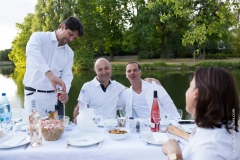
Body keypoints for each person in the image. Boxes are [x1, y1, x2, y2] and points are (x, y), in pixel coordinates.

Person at [162, 67, 240, 160]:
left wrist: (174, 154)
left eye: (190, 86)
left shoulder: (208, 147)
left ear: (196, 94)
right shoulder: (228, 129)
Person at [23, 16, 84, 117]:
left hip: (54, 98)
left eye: (74, 38)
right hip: (34, 96)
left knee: (57, 131)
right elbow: (31, 51)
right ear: (63, 26)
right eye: (71, 34)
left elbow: (67, 76)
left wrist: (65, 91)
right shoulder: (39, 37)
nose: (71, 39)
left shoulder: (69, 53)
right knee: (35, 130)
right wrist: (49, 74)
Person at [73, 58, 160, 123]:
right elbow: (79, 108)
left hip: (112, 128)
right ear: (95, 71)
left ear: (111, 68)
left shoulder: (116, 85)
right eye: (100, 69)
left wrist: (147, 80)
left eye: (106, 68)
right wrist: (76, 121)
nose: (104, 72)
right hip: (94, 127)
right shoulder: (87, 87)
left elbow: (133, 90)